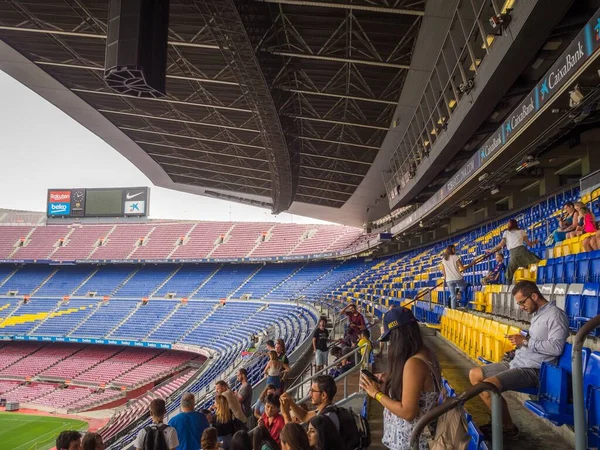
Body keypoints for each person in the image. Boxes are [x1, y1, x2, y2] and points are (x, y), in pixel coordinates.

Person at [469, 281, 569, 439]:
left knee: (488, 386)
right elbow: (535, 342)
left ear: (534, 296)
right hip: (519, 362)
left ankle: (508, 429)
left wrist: (525, 342)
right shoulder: (538, 314)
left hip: (535, 370)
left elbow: (556, 348)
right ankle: (499, 422)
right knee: (475, 374)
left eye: (522, 302)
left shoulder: (556, 315)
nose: (521, 307)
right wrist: (519, 346)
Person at [359, 307, 441, 450]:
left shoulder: (414, 364)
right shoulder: (426, 353)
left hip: (411, 443)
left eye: (391, 338)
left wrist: (376, 394)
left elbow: (408, 412)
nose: (390, 344)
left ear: (399, 336)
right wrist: (390, 378)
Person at [486, 219, 540, 283]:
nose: (507, 225)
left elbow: (500, 245)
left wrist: (491, 250)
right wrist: (535, 242)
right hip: (523, 252)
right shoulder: (522, 231)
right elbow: (529, 244)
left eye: (508, 224)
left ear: (510, 225)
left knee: (509, 274)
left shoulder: (506, 233)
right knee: (537, 261)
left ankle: (508, 288)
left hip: (513, 254)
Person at [440, 244, 466, 309]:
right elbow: (462, 268)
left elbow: (444, 272)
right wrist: (471, 264)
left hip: (449, 280)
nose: (455, 250)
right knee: (464, 286)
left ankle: (453, 310)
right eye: (454, 249)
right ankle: (459, 291)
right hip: (457, 277)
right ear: (450, 250)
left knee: (453, 296)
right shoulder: (455, 257)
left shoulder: (443, 259)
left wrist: (446, 280)